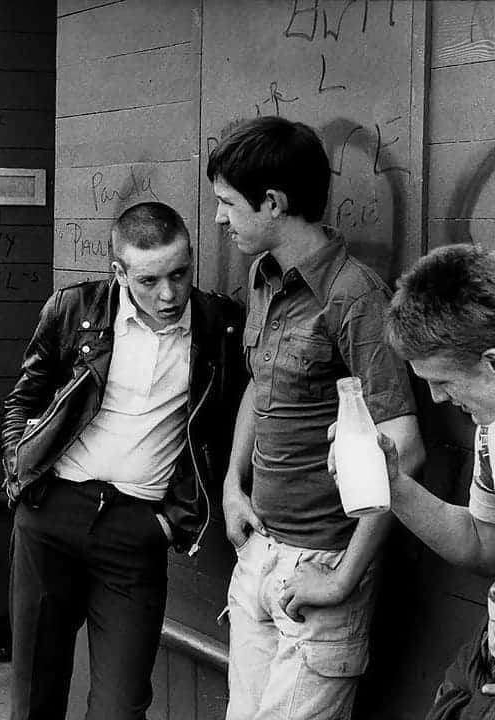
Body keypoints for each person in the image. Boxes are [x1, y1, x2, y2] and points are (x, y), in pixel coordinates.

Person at [206, 115, 424, 720]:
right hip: (259, 555)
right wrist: (231, 484)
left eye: (227, 203)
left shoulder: (355, 296)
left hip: (322, 565)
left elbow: (404, 449)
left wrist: (342, 579)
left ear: (272, 202)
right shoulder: (265, 276)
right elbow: (260, 381)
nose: (219, 218)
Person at [1, 201, 245, 720]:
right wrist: (18, 476)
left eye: (179, 274)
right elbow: (24, 397)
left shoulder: (217, 328)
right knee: (34, 694)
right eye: (149, 279)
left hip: (137, 530)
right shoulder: (73, 310)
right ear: (118, 272)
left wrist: (170, 522)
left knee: (121, 704)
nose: (167, 293)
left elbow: (227, 426)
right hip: (50, 517)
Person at [357, 243, 495, 719]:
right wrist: (392, 483)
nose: (436, 398)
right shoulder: (490, 430)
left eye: (445, 381)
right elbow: (483, 543)